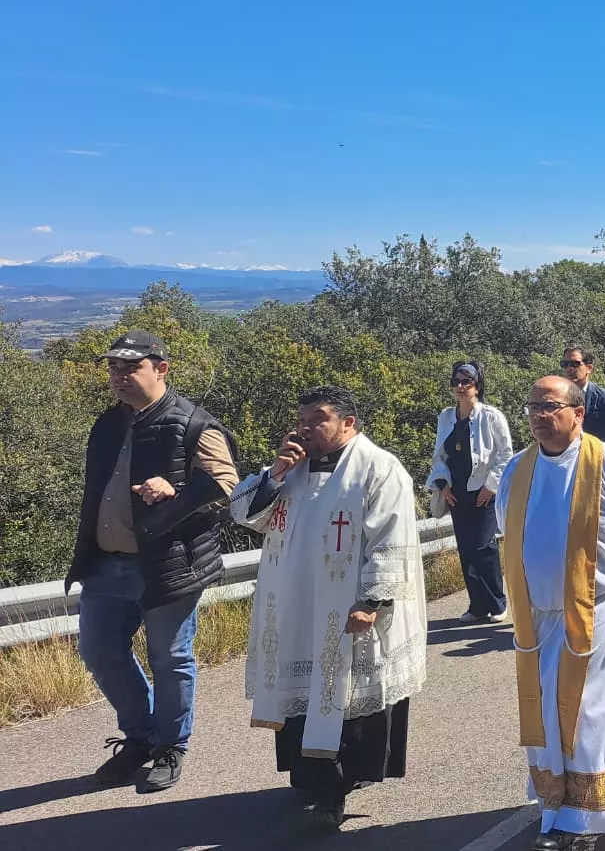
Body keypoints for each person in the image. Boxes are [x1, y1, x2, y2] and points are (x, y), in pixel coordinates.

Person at [232, 386, 427, 829]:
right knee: (303, 699)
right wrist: (276, 474)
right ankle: (313, 778)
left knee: (343, 700)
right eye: (302, 418)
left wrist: (373, 600)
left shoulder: (379, 469)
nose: (305, 427)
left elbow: (391, 539)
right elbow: (245, 515)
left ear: (348, 423)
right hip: (297, 609)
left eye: (317, 419)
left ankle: (333, 792)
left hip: (346, 609)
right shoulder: (292, 471)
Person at [494, 376, 605, 850]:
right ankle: (556, 803)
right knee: (548, 710)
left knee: (591, 712)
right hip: (538, 619)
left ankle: (590, 818)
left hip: (598, 615)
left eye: (550, 407)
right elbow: (508, 530)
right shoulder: (516, 470)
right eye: (532, 407)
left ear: (578, 412)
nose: (539, 416)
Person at [67, 330, 240, 792]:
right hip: (105, 563)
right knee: (99, 651)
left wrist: (177, 493)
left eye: (131, 367)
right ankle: (140, 737)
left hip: (168, 563)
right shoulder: (107, 424)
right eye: (114, 368)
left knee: (170, 658)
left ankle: (170, 745)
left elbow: (229, 488)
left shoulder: (194, 424)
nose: (119, 376)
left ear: (160, 368)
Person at [428, 361, 514, 624]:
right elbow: (439, 457)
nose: (461, 387)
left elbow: (505, 454)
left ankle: (497, 603)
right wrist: (442, 485)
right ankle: (477, 606)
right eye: (457, 382)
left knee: (483, 547)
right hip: (456, 492)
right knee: (466, 549)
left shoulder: (490, 416)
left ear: (477, 386)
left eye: (467, 382)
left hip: (484, 490)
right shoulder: (446, 417)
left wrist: (491, 486)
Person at [562, 346, 605, 447]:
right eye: (565, 364)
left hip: (594, 459)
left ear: (589, 368)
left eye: (575, 364)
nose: (569, 368)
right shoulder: (558, 397)